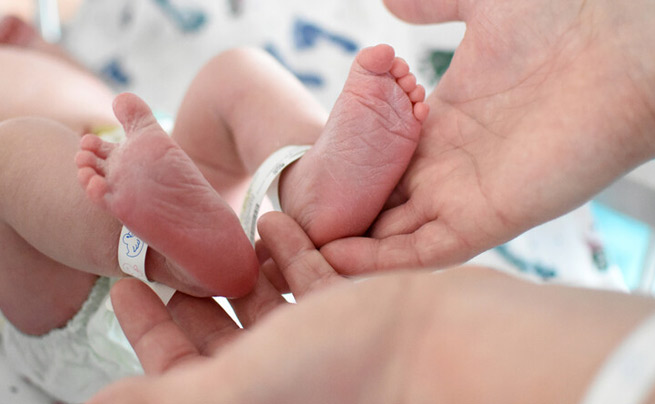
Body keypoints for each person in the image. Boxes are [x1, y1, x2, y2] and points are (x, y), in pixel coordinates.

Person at [91, 0, 655, 403]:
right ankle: (289, 185)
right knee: (233, 80)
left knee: (30, 157)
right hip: (154, 209)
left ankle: (295, 192)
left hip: (142, 232)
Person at [0, 26, 427, 403]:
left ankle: (307, 184)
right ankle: (163, 255)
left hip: (177, 187)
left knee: (232, 75)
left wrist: (38, 46)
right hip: (78, 274)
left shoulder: (29, 54)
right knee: (8, 155)